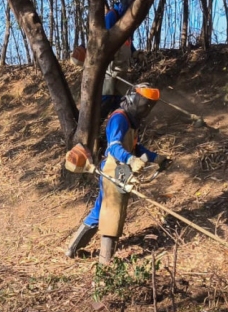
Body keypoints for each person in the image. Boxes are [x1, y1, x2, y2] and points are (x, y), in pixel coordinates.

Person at [66, 84, 162, 265]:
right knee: (113, 210)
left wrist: (156, 158)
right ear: (133, 98)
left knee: (102, 208)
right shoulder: (119, 118)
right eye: (144, 104)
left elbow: (135, 147)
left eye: (149, 105)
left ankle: (73, 248)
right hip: (115, 166)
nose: (146, 108)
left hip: (122, 167)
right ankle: (105, 262)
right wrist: (131, 160)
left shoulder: (132, 121)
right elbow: (114, 147)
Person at [101, 0, 139, 120]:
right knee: (106, 97)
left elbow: (128, 40)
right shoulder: (113, 15)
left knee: (120, 101)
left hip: (122, 67)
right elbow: (104, 39)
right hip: (110, 68)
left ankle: (117, 125)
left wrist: (135, 53)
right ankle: (94, 129)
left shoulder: (129, 20)